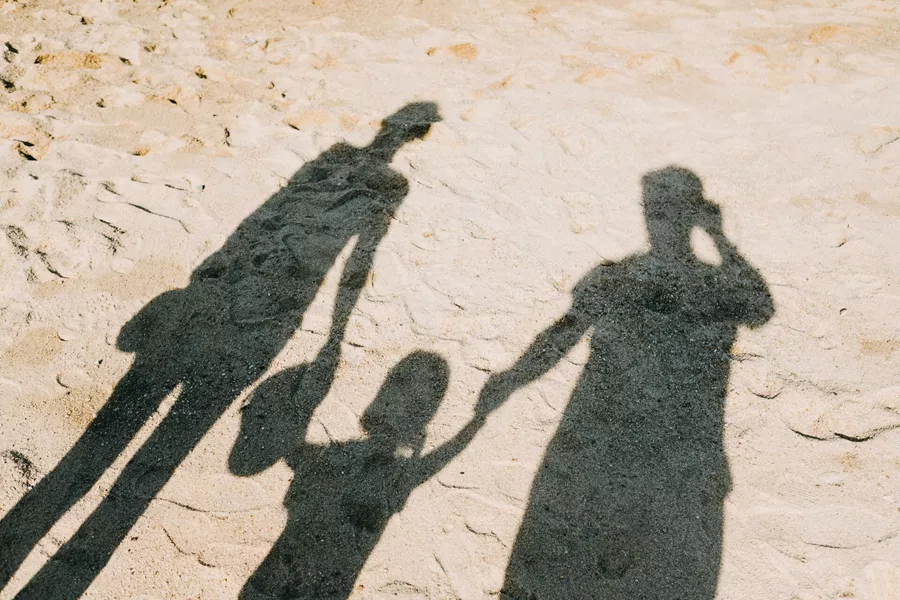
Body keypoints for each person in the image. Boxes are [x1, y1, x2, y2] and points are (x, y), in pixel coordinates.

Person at [0, 102, 441, 599]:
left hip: (217, 311)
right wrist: (336, 333)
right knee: (161, 448)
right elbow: (359, 255)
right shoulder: (382, 181)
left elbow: (259, 225)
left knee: (100, 446)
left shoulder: (338, 163)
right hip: (263, 322)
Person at [477, 166, 774, 599]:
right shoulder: (638, 277)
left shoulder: (627, 276)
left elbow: (762, 309)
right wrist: (719, 236)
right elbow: (760, 308)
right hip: (644, 425)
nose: (659, 223)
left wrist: (514, 378)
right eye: (655, 211)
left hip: (647, 427)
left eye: (665, 212)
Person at [230, 351, 483, 599]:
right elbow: (431, 465)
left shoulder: (345, 458)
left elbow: (289, 452)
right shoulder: (384, 466)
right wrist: (477, 420)